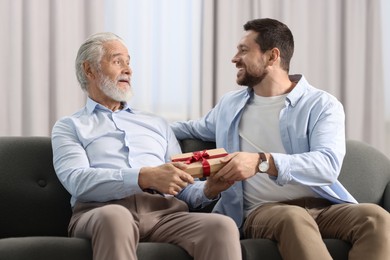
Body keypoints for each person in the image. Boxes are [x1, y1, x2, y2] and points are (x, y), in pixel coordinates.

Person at [171, 18, 390, 260]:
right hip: (262, 212)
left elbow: (327, 166)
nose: (234, 58)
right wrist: (138, 125)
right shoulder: (229, 106)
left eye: (243, 50)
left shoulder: (321, 105)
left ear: (272, 57)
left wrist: (261, 162)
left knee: (376, 218)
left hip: (323, 207)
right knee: (292, 218)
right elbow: (189, 128)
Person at [51, 32, 242, 260]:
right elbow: (78, 181)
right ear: (89, 69)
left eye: (129, 62)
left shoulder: (157, 123)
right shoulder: (69, 126)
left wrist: (209, 189)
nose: (128, 70)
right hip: (100, 212)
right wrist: (144, 177)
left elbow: (182, 187)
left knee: (221, 226)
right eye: (117, 61)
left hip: (165, 215)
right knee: (116, 217)